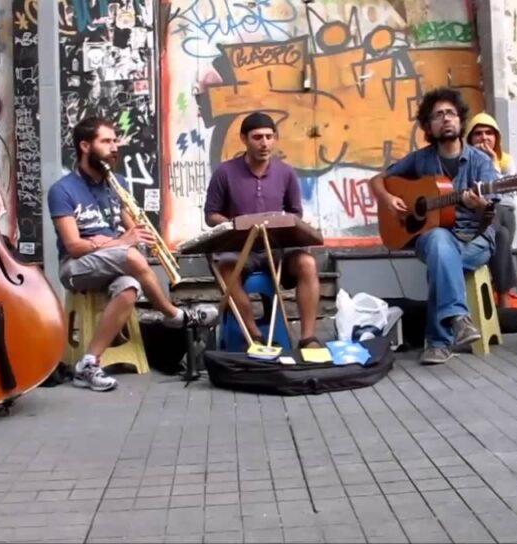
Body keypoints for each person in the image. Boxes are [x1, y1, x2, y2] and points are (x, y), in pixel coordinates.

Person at [48, 116, 204, 392]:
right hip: (75, 268)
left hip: (111, 263)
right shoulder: (62, 190)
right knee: (130, 257)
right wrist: (120, 241)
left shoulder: (116, 182)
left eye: (115, 140)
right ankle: (172, 315)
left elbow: (133, 230)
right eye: (106, 141)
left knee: (130, 287)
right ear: (85, 146)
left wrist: (135, 237)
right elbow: (73, 246)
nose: (114, 147)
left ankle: (88, 364)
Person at [370, 88, 500, 365]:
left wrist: (477, 204)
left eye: (450, 113)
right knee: (440, 242)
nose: (446, 119)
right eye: (438, 115)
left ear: (460, 120)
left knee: (443, 258)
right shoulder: (422, 159)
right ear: (429, 126)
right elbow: (378, 180)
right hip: (433, 237)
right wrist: (389, 198)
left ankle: (441, 340)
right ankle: (457, 321)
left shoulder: (482, 162)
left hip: (474, 239)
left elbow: (491, 210)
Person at [203, 112, 325, 349]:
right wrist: (234, 225)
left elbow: (295, 213)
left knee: (307, 263)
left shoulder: (286, 172)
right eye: (257, 137)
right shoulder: (225, 172)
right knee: (226, 268)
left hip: (277, 250)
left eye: (269, 137)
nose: (264, 143)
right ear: (244, 139)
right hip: (241, 250)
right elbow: (211, 215)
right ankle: (255, 336)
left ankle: (308, 338)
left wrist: (283, 222)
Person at [465, 112, 517, 308]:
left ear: (496, 137)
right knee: (502, 235)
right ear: (470, 139)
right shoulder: (465, 162)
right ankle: (504, 300)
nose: (484, 138)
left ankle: (501, 298)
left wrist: (493, 165)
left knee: (499, 217)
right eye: (478, 133)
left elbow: (509, 199)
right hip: (473, 217)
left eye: (489, 133)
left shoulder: (505, 161)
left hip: (502, 213)